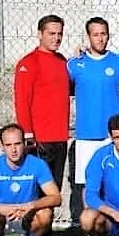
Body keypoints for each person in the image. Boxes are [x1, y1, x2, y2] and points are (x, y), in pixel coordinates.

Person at [67, 17, 119, 236]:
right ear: (88, 37)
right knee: (88, 186)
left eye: (103, 33)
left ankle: (118, 228)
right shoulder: (74, 65)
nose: (100, 38)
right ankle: (92, 232)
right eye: (95, 34)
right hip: (86, 135)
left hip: (112, 136)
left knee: (112, 184)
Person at [14, 14, 70, 193]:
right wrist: (28, 135)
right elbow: (22, 101)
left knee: (54, 192)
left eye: (60, 34)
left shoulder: (62, 61)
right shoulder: (29, 63)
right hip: (40, 140)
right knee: (37, 193)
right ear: (40, 34)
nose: (57, 38)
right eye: (51, 33)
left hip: (60, 138)